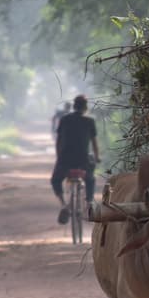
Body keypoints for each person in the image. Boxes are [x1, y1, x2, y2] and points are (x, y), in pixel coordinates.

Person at [51, 94, 100, 224]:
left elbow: (58, 141)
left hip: (65, 160)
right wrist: (97, 157)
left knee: (55, 180)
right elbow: (94, 143)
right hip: (83, 161)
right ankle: (89, 202)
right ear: (85, 107)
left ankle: (63, 205)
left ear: (74, 106)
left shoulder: (65, 119)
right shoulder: (90, 121)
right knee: (90, 178)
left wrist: (59, 157)